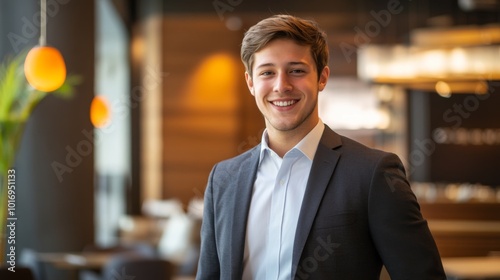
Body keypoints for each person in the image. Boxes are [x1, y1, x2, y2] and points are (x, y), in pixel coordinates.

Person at [196, 14, 446, 280]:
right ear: (250, 83)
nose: (282, 85)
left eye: (297, 70)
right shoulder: (223, 178)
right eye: (267, 72)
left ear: (322, 78)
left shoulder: (373, 173)